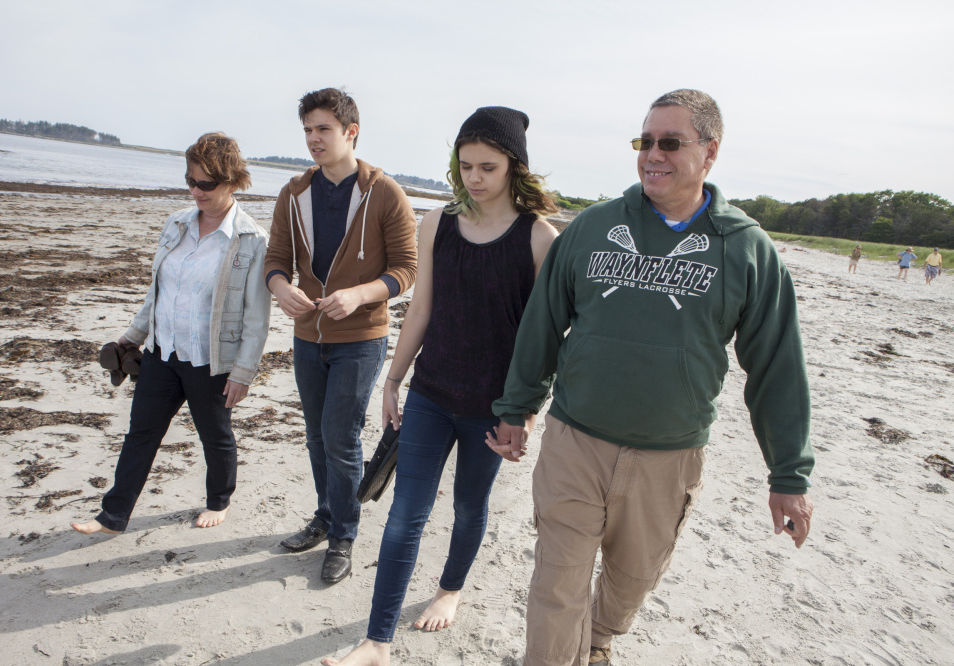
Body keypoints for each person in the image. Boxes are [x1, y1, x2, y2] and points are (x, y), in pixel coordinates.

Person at [488, 90, 815, 665]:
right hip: (576, 442)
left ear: (710, 152)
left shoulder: (745, 250)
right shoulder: (592, 229)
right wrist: (516, 408)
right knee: (557, 585)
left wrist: (788, 472)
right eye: (645, 141)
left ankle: (599, 641)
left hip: (669, 456)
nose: (652, 155)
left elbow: (777, 367)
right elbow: (541, 324)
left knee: (632, 578)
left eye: (670, 142)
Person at [322, 107, 559, 666]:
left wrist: (524, 416)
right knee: (406, 513)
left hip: (492, 407)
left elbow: (544, 338)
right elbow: (421, 308)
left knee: (470, 505)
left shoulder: (540, 239)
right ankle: (377, 642)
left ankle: (450, 588)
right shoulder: (437, 223)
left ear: (514, 167)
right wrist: (394, 378)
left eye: (488, 167)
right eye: (466, 165)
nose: (475, 177)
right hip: (430, 392)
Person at [72, 132, 271, 535]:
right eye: (190, 181)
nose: (196, 191)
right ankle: (113, 516)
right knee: (140, 433)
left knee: (215, 437)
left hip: (210, 359)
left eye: (206, 184)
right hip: (163, 352)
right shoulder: (177, 223)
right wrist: (132, 336)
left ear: (232, 181)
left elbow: (257, 317)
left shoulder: (251, 241)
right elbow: (158, 292)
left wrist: (243, 372)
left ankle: (219, 500)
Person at [266, 88, 417, 584]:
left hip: (361, 337)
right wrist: (280, 287)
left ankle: (343, 536)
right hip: (308, 335)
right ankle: (326, 515)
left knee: (340, 436)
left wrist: (359, 295)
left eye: (323, 129)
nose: (313, 138)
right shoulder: (294, 193)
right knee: (315, 435)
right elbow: (275, 261)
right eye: (308, 130)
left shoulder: (385, 192)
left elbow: (406, 270)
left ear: (351, 132)